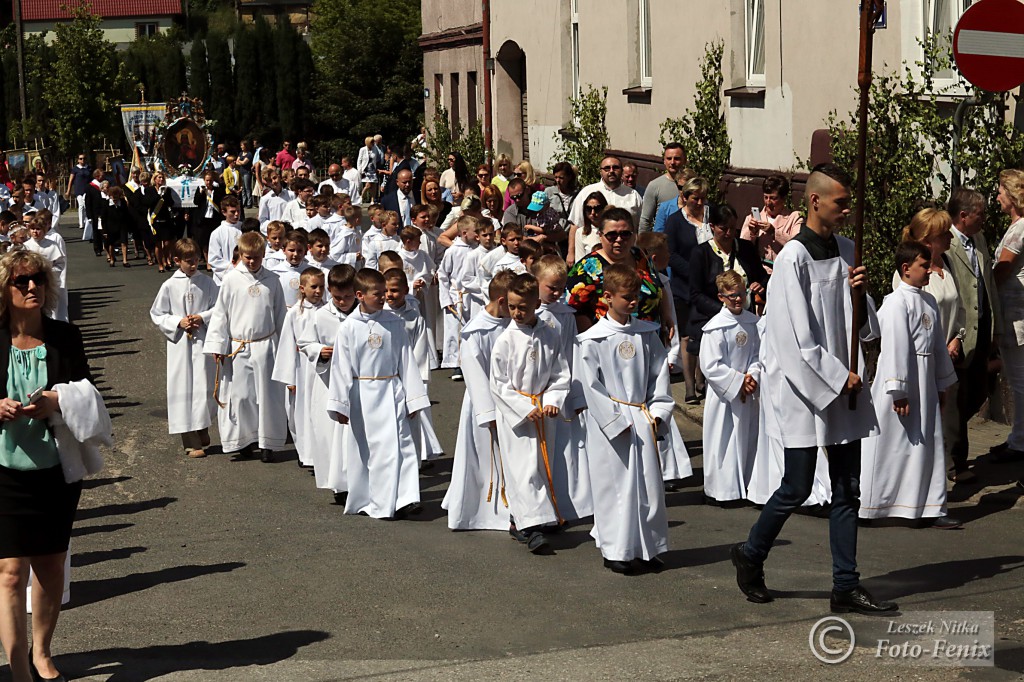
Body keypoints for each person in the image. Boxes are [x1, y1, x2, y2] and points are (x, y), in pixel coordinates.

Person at [731, 163, 897, 615]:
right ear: (816, 201)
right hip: (808, 389)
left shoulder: (846, 250)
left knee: (847, 488)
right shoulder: (793, 259)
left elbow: (863, 324)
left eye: (849, 203)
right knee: (796, 486)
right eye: (841, 202)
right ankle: (749, 555)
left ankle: (845, 585)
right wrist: (835, 376)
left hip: (845, 383)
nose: (847, 210)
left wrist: (861, 297)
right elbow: (793, 337)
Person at [0, 250, 103, 682]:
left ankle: (42, 652)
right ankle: (18, 664)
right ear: (4, 290)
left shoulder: (66, 336)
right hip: (3, 472)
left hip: (54, 470)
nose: (31, 288)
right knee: (8, 572)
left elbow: (88, 393)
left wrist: (55, 402)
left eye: (37, 280)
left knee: (50, 565)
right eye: (21, 281)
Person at [577, 263, 674, 574]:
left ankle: (647, 548)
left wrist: (658, 412)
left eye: (635, 296)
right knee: (615, 487)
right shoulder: (592, 340)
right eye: (626, 297)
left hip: (642, 416)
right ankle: (617, 550)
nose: (633, 302)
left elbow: (659, 375)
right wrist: (615, 422)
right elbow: (591, 387)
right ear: (607, 297)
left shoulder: (646, 333)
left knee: (648, 487)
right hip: (611, 424)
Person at [860, 241, 960, 528]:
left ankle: (927, 506)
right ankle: (874, 505)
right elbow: (894, 348)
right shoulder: (895, 303)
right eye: (923, 266)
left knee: (926, 444)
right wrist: (899, 391)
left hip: (926, 382)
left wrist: (942, 384)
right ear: (906, 269)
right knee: (893, 445)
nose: (929, 270)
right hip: (902, 383)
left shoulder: (928, 301)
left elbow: (937, 346)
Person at [327, 268, 430, 519]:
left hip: (392, 390)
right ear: (360, 295)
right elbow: (341, 367)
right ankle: (368, 497)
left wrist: (413, 398)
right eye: (378, 294)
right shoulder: (349, 327)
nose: (384, 297)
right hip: (362, 395)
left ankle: (406, 498)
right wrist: (340, 404)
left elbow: (406, 359)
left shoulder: (394, 322)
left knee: (402, 445)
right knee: (366, 450)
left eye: (385, 293)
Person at [490, 274, 571, 553]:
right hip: (518, 414)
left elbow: (560, 373)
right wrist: (525, 408)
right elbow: (498, 385)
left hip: (543, 411)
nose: (517, 313)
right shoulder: (505, 340)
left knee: (542, 464)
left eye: (522, 307)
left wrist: (552, 399)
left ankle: (541, 515)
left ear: (537, 303)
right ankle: (527, 526)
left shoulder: (551, 334)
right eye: (512, 306)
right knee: (522, 469)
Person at [204, 231, 287, 464]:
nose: (252, 262)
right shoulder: (231, 280)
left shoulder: (272, 280)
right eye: (247, 257)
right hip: (239, 347)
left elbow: (281, 315)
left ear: (264, 255)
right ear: (240, 254)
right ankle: (245, 440)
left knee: (268, 396)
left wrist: (287, 346)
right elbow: (221, 314)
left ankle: (268, 443)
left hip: (266, 344)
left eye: (257, 258)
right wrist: (218, 345)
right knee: (242, 396)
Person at [442, 270, 515, 530]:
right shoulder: (475, 330)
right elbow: (475, 376)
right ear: (502, 301)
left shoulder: (511, 324)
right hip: (484, 404)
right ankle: (480, 512)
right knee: (483, 458)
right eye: (514, 305)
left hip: (513, 403)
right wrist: (489, 414)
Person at [944, 189, 1002, 479]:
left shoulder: (978, 239)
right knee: (955, 398)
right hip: (958, 332)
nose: (985, 220)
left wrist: (996, 329)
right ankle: (954, 463)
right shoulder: (946, 242)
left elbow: (987, 283)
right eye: (980, 214)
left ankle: (947, 445)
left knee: (977, 392)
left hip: (981, 331)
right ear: (963, 216)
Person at [686, 204, 768, 398]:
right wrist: (726, 311)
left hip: (745, 320)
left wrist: (760, 285)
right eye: (724, 228)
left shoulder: (746, 249)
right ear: (712, 226)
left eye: (733, 228)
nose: (729, 233)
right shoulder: (701, 253)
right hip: (714, 321)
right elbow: (696, 293)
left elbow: (762, 276)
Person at [533, 255, 592, 520]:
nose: (557, 293)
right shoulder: (530, 313)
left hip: (562, 387)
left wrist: (576, 394)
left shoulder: (566, 314)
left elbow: (572, 350)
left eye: (561, 287)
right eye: (551, 288)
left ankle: (568, 505)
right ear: (536, 283)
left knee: (567, 449)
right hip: (536, 388)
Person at [149, 238, 218, 459]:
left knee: (204, 384)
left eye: (196, 260)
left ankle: (201, 426)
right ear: (177, 260)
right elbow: (157, 313)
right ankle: (189, 438)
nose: (193, 265)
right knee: (183, 387)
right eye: (188, 261)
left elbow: (219, 308)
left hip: (202, 340)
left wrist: (202, 317)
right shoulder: (169, 285)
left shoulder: (207, 283)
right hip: (180, 344)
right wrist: (178, 322)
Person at [699, 270, 760, 504]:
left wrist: (753, 375)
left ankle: (745, 482)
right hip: (724, 395)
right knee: (723, 440)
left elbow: (757, 354)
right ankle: (722, 490)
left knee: (748, 437)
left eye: (741, 294)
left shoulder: (753, 322)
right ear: (721, 297)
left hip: (748, 390)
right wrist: (737, 381)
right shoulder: (715, 328)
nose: (737, 299)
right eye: (732, 295)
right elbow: (711, 365)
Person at [297, 264, 358, 501]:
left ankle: (359, 480)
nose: (342, 302)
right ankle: (339, 485)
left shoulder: (364, 315)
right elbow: (304, 343)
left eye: (347, 297)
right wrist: (320, 350)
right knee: (331, 435)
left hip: (357, 384)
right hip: (329, 383)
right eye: (337, 297)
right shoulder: (320, 315)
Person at [566, 208, 670, 338]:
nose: (619, 239)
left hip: (649, 339)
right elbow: (574, 310)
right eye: (612, 235)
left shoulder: (639, 256)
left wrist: (667, 315)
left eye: (625, 234)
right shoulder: (586, 268)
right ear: (600, 235)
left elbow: (658, 286)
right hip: (608, 345)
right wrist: (591, 340)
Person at [383, 269, 444, 462]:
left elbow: (419, 350)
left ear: (405, 290)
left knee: (414, 417)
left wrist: (415, 378)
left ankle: (418, 456)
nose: (389, 295)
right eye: (385, 290)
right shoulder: (379, 314)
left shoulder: (413, 316)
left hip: (410, 374)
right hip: (386, 375)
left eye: (394, 290)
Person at [272, 267, 325, 467]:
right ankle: (306, 455)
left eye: (321, 287)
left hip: (323, 371)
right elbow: (286, 345)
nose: (318, 291)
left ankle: (321, 454)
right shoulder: (294, 313)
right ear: (302, 288)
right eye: (314, 287)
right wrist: (289, 379)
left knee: (321, 413)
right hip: (301, 371)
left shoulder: (327, 310)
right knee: (300, 414)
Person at [994, 169, 1024, 463]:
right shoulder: (1016, 226)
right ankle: (1017, 437)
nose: (998, 196)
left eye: (1001, 191)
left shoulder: (1020, 229)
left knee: (1019, 381)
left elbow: (1003, 269)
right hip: (1014, 316)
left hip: (1017, 318)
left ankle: (1020, 443)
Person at [438, 215, 483, 377]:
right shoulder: (452, 251)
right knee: (455, 331)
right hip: (456, 297)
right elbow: (443, 275)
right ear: (464, 233)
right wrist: (446, 299)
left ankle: (473, 361)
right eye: (475, 232)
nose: (478, 235)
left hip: (474, 296)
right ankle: (457, 363)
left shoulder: (478, 250)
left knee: (473, 329)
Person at [739, 174, 803, 274]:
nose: (768, 203)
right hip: (760, 273)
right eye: (766, 197)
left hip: (785, 272)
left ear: (783, 198)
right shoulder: (752, 218)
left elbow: (797, 245)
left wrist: (774, 232)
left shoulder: (794, 217)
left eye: (773, 198)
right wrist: (752, 232)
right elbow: (742, 248)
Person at [568, 156, 643, 229]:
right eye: (607, 168)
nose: (611, 171)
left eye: (615, 167)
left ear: (621, 171)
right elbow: (575, 225)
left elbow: (641, 226)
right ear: (600, 171)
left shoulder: (633, 195)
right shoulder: (586, 192)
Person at [640, 143, 686, 232]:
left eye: (677, 158)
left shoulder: (693, 184)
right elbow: (645, 220)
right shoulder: (654, 185)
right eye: (669, 158)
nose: (672, 162)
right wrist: (644, 244)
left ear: (685, 160)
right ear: (664, 161)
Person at [206, 196, 244, 286]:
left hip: (246, 276)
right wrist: (235, 270)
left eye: (238, 211)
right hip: (225, 280)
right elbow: (214, 259)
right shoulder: (217, 233)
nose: (236, 214)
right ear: (224, 212)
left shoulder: (244, 228)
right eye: (233, 212)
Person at [191, 171, 226, 266]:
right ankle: (208, 262)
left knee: (214, 241)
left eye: (210, 180)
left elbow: (222, 202)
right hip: (204, 219)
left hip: (214, 219)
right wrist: (201, 193)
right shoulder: (201, 190)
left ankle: (215, 259)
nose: (208, 182)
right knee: (204, 241)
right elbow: (196, 202)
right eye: (206, 180)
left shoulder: (218, 190)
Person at [101, 186, 137, 269]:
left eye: (116, 197)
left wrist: (129, 226)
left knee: (124, 243)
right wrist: (105, 231)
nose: (115, 199)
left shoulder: (123, 203)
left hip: (122, 226)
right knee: (111, 244)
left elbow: (127, 215)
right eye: (113, 198)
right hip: (110, 227)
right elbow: (104, 218)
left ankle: (125, 260)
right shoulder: (106, 204)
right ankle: (112, 259)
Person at [566, 192, 607, 265]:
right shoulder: (581, 232)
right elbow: (580, 261)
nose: (593, 213)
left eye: (597, 208)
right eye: (588, 208)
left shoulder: (611, 231)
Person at [545, 161, 579, 234]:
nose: (557, 180)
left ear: (569, 177)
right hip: (553, 233)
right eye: (556, 177)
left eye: (561, 178)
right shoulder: (549, 192)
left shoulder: (577, 194)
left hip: (571, 233)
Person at [357, 137, 379, 204]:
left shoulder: (375, 149)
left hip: (372, 169)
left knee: (374, 185)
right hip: (366, 170)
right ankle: (361, 197)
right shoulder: (362, 149)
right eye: (372, 142)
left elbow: (376, 158)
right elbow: (359, 160)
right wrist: (360, 170)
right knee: (368, 185)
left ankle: (372, 200)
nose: (373, 143)